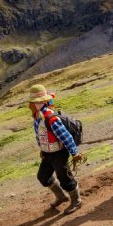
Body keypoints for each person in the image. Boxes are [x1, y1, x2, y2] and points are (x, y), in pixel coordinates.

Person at [28, 84, 82, 214]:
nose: (35, 104)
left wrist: (74, 152)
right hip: (47, 153)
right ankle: (61, 196)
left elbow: (65, 136)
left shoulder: (51, 118)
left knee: (64, 177)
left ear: (44, 101)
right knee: (43, 176)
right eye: (34, 102)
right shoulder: (37, 117)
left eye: (38, 102)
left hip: (59, 153)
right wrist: (42, 149)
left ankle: (76, 200)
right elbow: (39, 136)